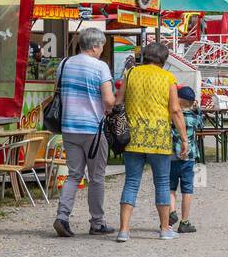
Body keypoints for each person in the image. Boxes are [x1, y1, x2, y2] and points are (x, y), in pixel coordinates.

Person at [115, 41, 189, 242]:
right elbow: (175, 110)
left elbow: (118, 101)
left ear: (145, 56)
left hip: (133, 137)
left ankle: (123, 230)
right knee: (162, 183)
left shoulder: (130, 74)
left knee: (131, 182)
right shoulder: (168, 78)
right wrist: (184, 138)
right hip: (158, 137)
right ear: (164, 60)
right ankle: (165, 229)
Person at [53, 28, 116, 238]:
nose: (101, 50)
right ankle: (97, 223)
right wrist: (113, 105)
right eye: (102, 47)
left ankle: (62, 216)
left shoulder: (64, 64)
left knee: (74, 175)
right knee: (96, 177)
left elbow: (58, 90)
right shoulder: (100, 67)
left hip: (69, 127)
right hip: (93, 129)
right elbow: (108, 100)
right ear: (95, 46)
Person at [167, 85, 204, 234]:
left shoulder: (172, 115)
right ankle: (185, 221)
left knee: (171, 188)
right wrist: (198, 109)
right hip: (189, 157)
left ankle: (171, 212)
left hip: (171, 156)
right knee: (187, 190)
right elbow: (202, 125)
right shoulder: (195, 117)